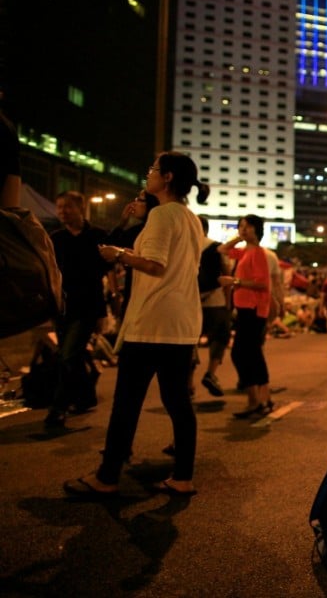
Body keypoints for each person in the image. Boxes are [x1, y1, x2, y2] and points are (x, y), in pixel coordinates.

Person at [63, 152, 208, 498]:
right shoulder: (191, 219)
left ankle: (107, 477)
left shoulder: (162, 215)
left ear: (168, 177)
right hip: (182, 322)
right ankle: (183, 477)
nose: (149, 174)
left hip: (152, 322)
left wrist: (120, 256)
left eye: (153, 170)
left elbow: (156, 265)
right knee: (178, 402)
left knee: (127, 401)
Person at [45, 190, 109, 427]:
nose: (62, 211)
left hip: (88, 307)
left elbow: (105, 272)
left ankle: (58, 408)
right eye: (59, 207)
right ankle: (86, 396)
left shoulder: (98, 236)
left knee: (68, 355)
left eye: (67, 207)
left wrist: (106, 309)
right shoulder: (56, 238)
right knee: (72, 354)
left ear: (80, 208)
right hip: (62, 307)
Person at [218, 215, 273, 418]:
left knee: (241, 354)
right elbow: (221, 250)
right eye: (241, 226)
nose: (243, 229)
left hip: (253, 309)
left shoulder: (257, 253)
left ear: (257, 230)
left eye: (248, 226)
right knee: (252, 354)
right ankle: (261, 400)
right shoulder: (244, 253)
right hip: (245, 308)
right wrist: (238, 238)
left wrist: (234, 281)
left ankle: (256, 400)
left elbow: (262, 283)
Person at [104, 190, 159, 317]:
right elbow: (107, 250)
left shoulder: (148, 231)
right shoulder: (134, 231)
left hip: (143, 296)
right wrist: (122, 223)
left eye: (139, 200)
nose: (134, 204)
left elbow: (108, 248)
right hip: (136, 295)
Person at [195, 215, 229, 397]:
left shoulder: (183, 246)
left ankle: (188, 382)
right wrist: (229, 302)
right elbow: (226, 272)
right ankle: (211, 373)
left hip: (190, 301)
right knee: (220, 336)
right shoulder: (216, 246)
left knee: (190, 339)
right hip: (215, 301)